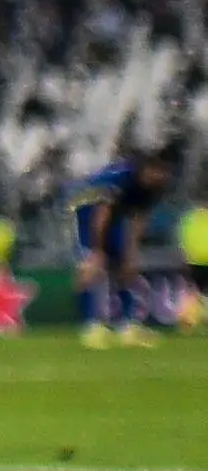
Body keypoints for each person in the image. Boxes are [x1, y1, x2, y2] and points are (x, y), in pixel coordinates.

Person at [77, 148, 176, 349]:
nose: (162, 177)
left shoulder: (154, 187)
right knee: (91, 270)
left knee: (124, 270)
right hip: (87, 213)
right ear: (147, 169)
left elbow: (139, 219)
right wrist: (96, 250)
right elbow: (100, 215)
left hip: (114, 219)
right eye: (159, 172)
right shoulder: (121, 179)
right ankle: (91, 328)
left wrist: (132, 254)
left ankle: (127, 327)